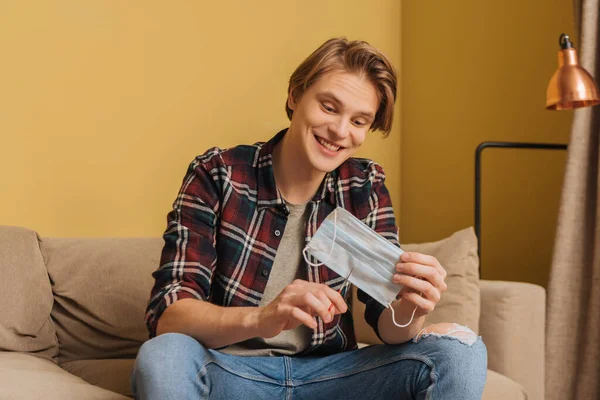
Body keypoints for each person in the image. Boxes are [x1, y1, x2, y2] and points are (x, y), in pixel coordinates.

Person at [132, 37, 487, 399]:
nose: (340, 131)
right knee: (163, 355)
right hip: (232, 373)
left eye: (359, 121)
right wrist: (262, 318)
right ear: (294, 95)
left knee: (460, 352)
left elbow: (389, 325)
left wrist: (411, 304)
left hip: (330, 377)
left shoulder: (363, 185)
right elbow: (169, 316)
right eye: (329, 107)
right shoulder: (218, 175)